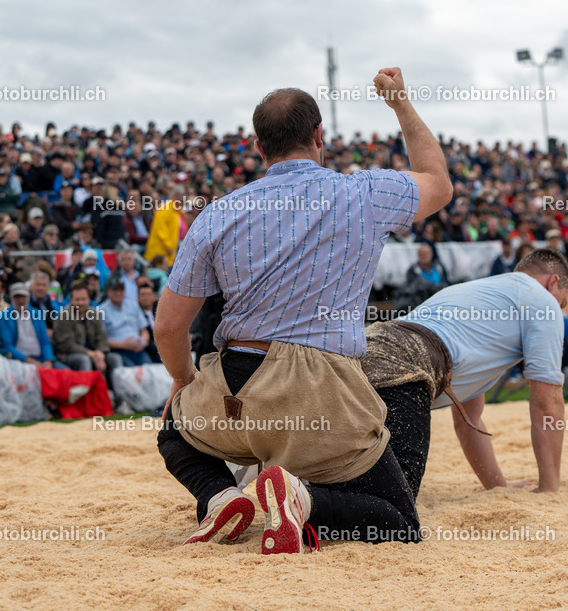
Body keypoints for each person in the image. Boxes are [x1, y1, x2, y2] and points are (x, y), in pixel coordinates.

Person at [155, 68, 451, 553]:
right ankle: (303, 499)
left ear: (258, 147)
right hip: (319, 388)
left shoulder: (219, 211)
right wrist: (399, 104)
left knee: (174, 431)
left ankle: (219, 496)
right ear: (319, 136)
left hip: (234, 386)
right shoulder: (364, 194)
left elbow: (168, 326)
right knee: (399, 522)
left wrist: (184, 380)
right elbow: (438, 182)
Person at [360, 248, 568, 497]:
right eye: (562, 301)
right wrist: (549, 488)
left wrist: (498, 489)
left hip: (368, 343)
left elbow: (468, 421)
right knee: (392, 502)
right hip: (409, 357)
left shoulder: (482, 292)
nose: (559, 309)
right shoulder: (542, 301)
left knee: (343, 467)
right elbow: (548, 400)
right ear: (553, 281)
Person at [51, 282, 125, 399]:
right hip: (67, 356)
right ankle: (86, 399)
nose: (81, 302)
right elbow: (67, 345)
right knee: (84, 360)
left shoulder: (93, 313)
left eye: (84, 299)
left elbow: (102, 338)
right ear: (71, 300)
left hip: (94, 353)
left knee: (115, 358)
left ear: (89, 299)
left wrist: (100, 353)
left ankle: (120, 398)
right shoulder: (64, 316)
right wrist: (92, 354)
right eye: (77, 299)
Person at [0, 283, 58, 367]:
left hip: (40, 358)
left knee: (65, 373)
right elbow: (8, 345)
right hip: (19, 361)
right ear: (11, 298)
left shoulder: (37, 314)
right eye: (17, 297)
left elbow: (45, 341)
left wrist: (48, 360)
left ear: (28, 297)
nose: (20, 300)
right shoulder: (4, 317)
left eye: (23, 296)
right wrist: (28, 360)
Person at [100, 273, 150, 366]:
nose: (118, 293)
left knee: (151, 372)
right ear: (108, 292)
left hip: (139, 349)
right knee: (132, 375)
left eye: (121, 289)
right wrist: (122, 344)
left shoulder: (133, 304)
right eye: (115, 290)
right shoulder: (101, 310)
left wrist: (143, 341)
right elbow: (101, 339)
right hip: (119, 351)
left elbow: (144, 330)